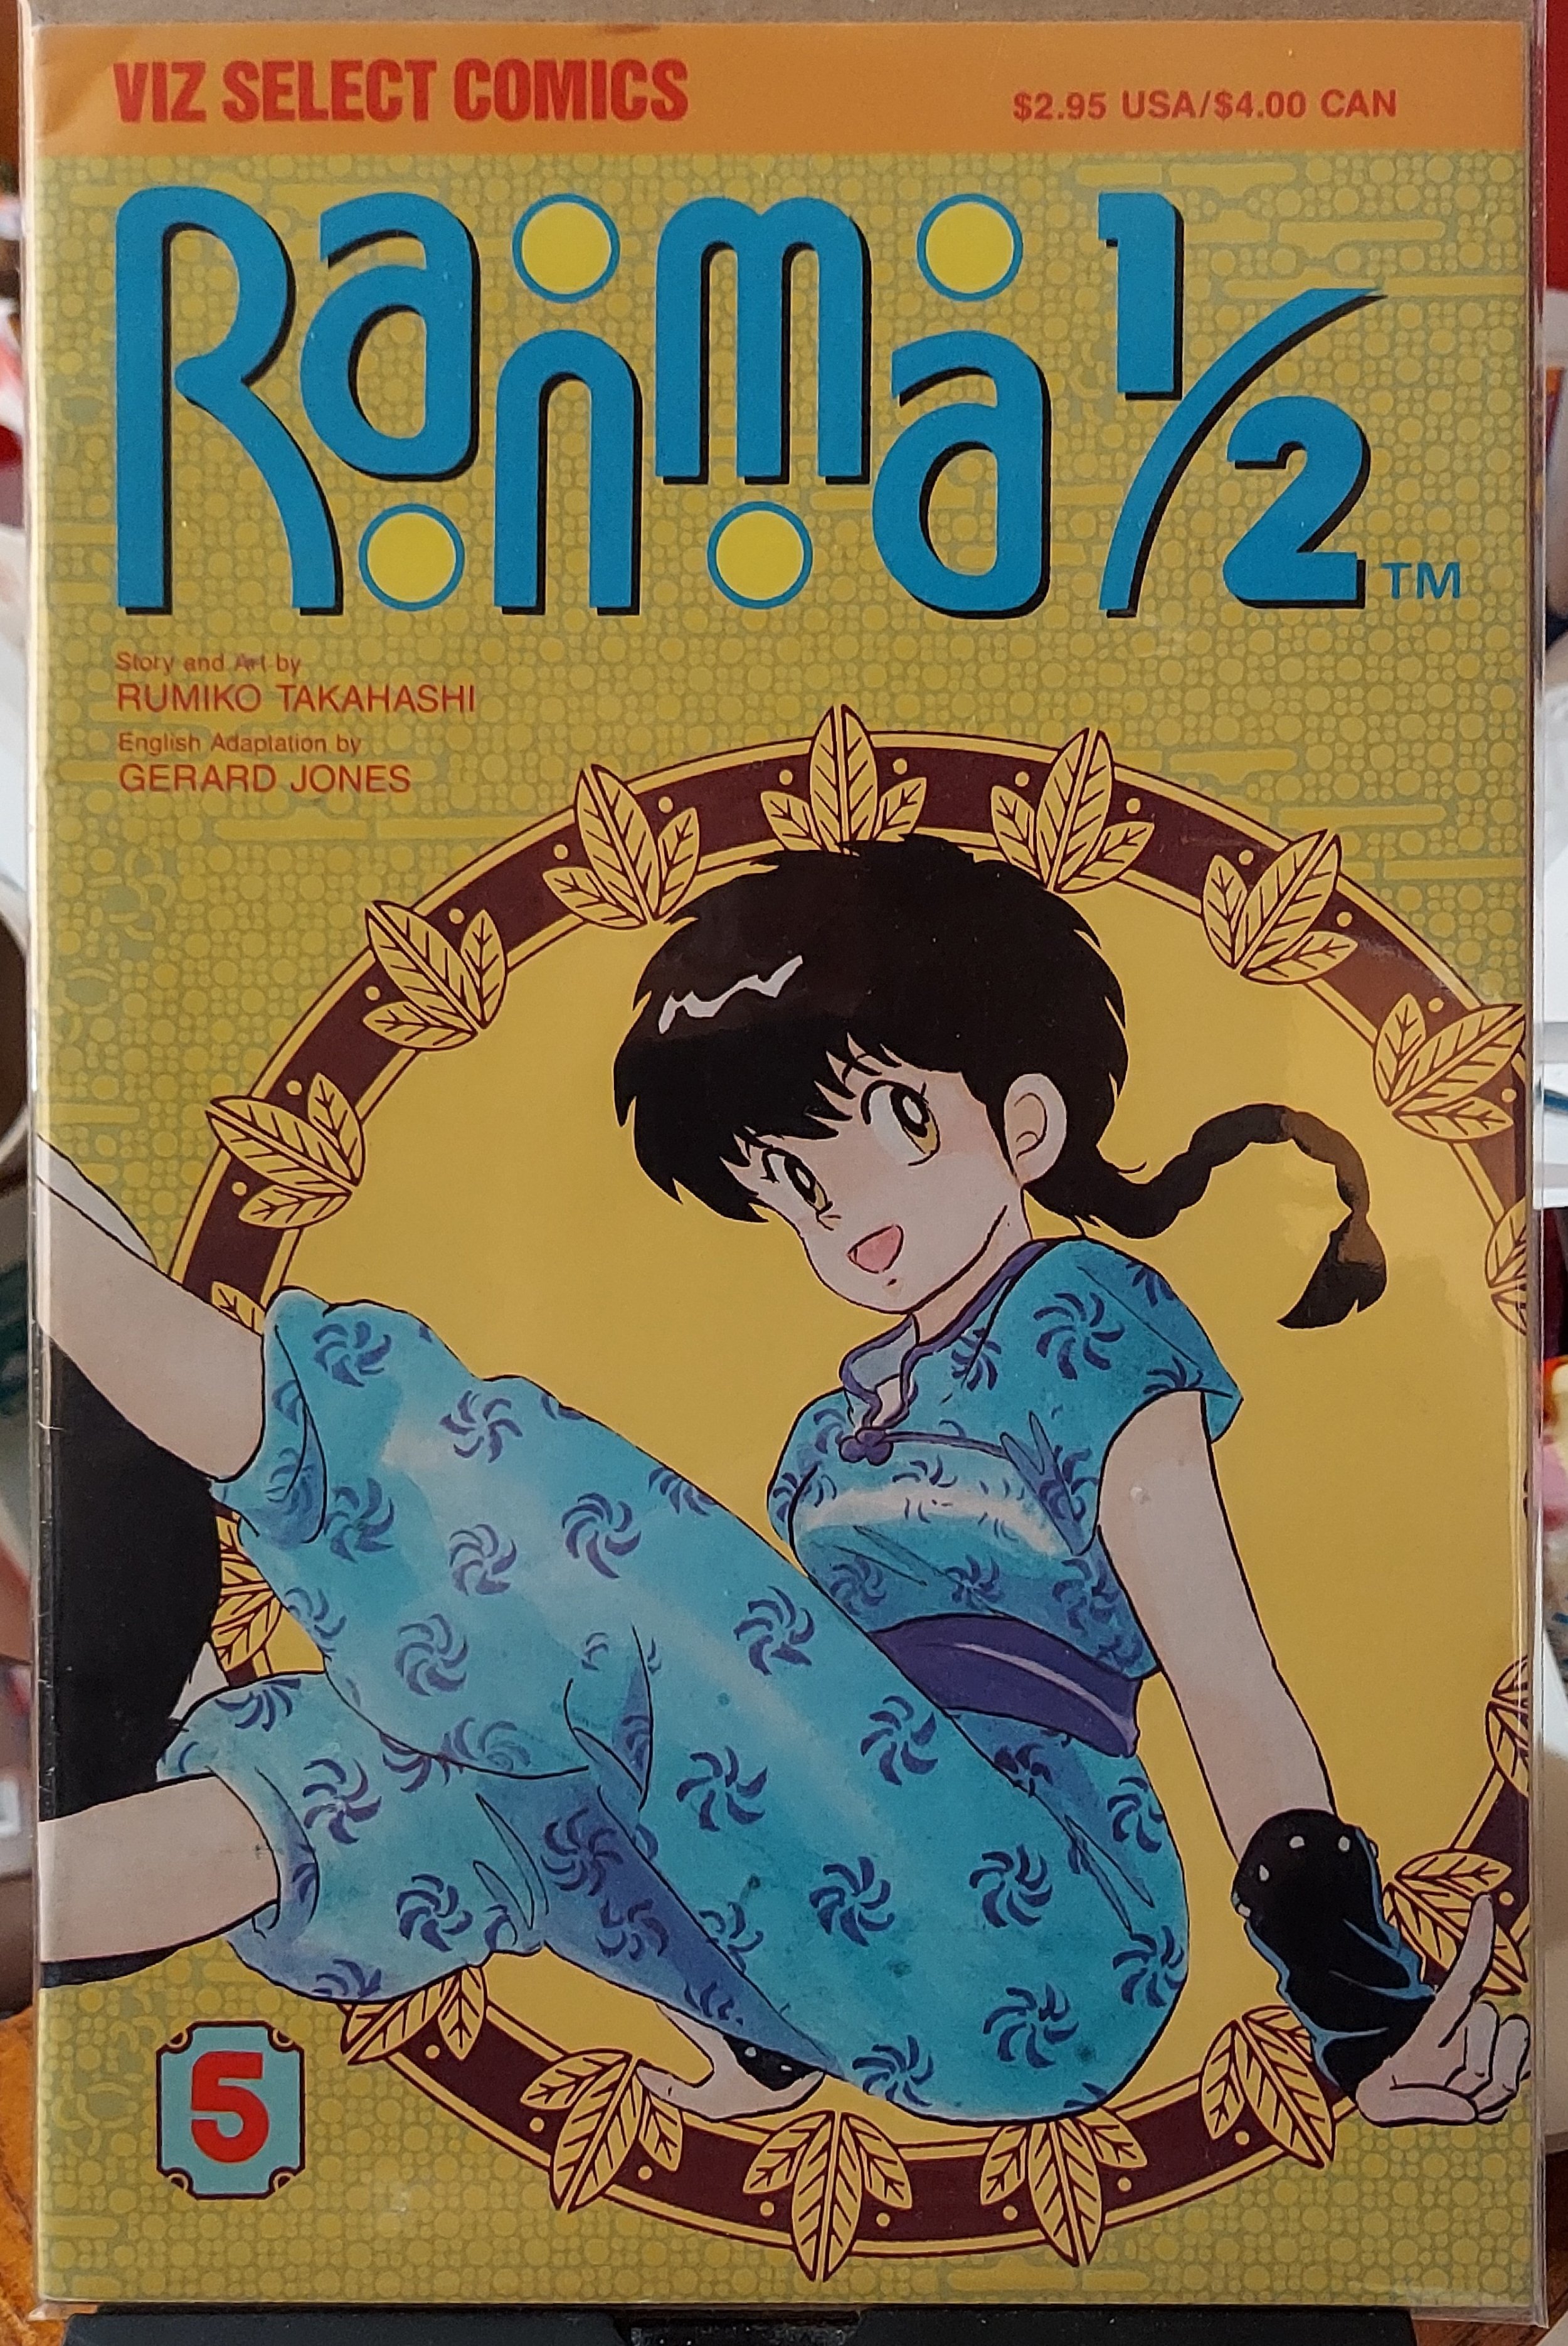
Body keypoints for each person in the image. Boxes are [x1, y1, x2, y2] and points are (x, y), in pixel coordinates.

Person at [37, 837, 1528, 2130]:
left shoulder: (1085, 1319)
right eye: (796, 1184)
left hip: (1047, 1927)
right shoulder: (831, 1433)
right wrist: (746, 2007)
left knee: (590, 1542)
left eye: (892, 1126)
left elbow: (1222, 1671)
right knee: (406, 1793)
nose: (846, 1208)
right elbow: (748, 1757)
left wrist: (1358, 2004)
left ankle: (91, 1293)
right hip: (842, 1967)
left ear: (1020, 1122)